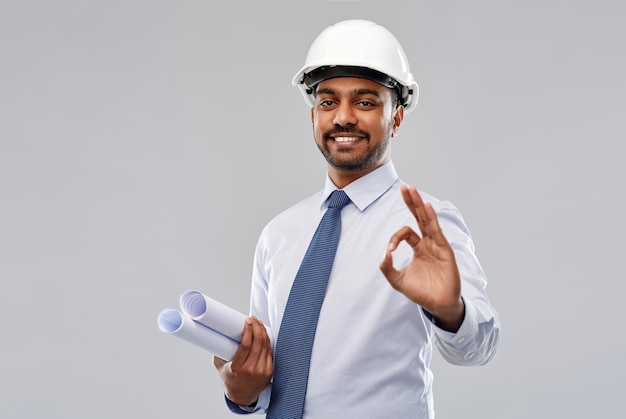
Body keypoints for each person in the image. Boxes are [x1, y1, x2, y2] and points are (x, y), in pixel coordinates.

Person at [213, 19, 500, 418]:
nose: (343, 117)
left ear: (396, 118)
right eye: (328, 102)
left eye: (365, 102)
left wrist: (451, 310)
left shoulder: (426, 226)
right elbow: (268, 382)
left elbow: (478, 347)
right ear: (313, 116)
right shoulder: (279, 234)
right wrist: (241, 391)